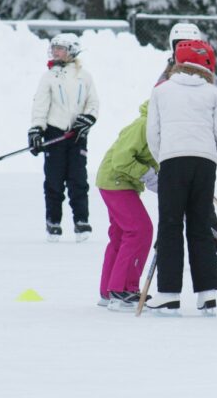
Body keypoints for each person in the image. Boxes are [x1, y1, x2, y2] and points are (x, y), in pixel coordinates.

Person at [145, 40, 217, 315]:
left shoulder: (162, 90)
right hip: (204, 163)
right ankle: (207, 295)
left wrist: (164, 157)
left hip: (172, 160)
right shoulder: (214, 92)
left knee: (170, 225)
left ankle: (169, 294)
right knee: (201, 226)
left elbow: (152, 134)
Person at [159, 22, 217, 262]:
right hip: (174, 151)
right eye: (179, 46)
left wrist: (212, 144)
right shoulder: (165, 78)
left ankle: (214, 247)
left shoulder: (210, 78)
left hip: (201, 153)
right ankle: (167, 246)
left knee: (202, 207)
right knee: (172, 206)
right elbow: (157, 113)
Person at [28, 33, 99, 242]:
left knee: (78, 180)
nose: (56, 51)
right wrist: (36, 130)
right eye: (54, 47)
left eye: (60, 48)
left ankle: (81, 222)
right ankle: (53, 222)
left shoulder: (84, 76)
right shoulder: (49, 76)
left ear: (72, 51)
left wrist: (87, 119)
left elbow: (93, 103)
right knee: (54, 181)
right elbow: (40, 105)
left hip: (76, 136)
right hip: (55, 134)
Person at [94, 102, 158, 312]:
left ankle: (108, 291)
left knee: (121, 233)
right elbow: (121, 159)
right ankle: (122, 290)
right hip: (116, 180)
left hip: (120, 181)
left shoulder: (163, 126)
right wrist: (148, 174)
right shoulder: (144, 125)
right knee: (140, 229)